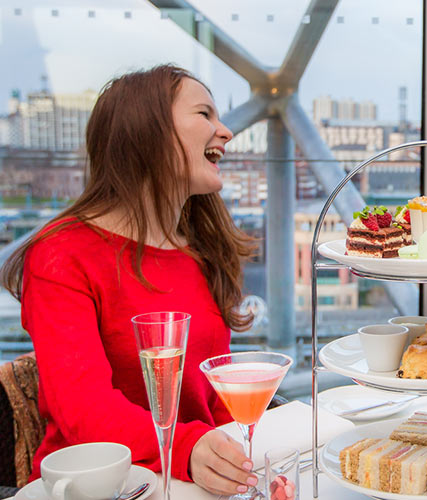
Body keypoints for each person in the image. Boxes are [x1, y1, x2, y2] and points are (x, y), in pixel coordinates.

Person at [1, 65, 260, 496]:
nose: (225, 131)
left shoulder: (202, 250)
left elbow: (212, 397)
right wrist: (191, 448)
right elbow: (85, 411)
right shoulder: (61, 254)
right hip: (93, 487)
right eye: (205, 114)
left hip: (187, 483)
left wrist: (242, 465)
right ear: (149, 132)